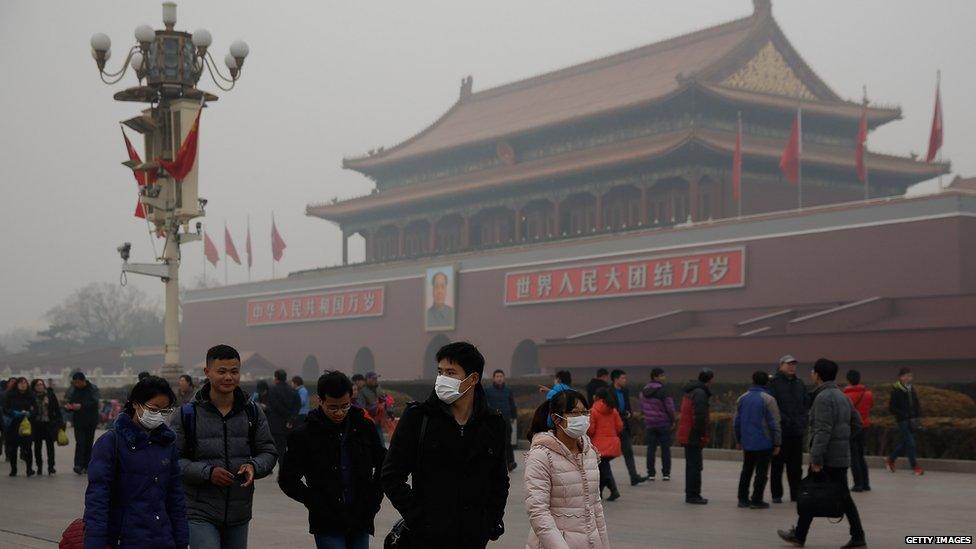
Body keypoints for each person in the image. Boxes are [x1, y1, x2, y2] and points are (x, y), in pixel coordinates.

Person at [382, 341, 509, 548]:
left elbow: (499, 480)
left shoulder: (492, 423)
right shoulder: (419, 418)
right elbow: (391, 475)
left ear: (473, 379)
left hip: (473, 537)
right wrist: (419, 518)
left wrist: (491, 521)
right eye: (440, 372)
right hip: (426, 539)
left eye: (451, 372)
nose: (442, 379)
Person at [173, 344, 278, 549]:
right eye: (222, 371)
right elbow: (172, 460)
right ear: (207, 372)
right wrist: (207, 472)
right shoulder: (187, 415)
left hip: (239, 511)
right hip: (199, 510)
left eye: (234, 371)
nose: (229, 377)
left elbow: (268, 451)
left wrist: (253, 467)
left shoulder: (252, 412)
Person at [278, 371, 386, 549]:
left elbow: (384, 463)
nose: (339, 413)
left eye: (345, 406)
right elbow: (287, 479)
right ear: (320, 401)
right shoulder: (304, 435)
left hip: (360, 515)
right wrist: (314, 501)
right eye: (333, 407)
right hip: (327, 521)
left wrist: (374, 498)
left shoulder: (364, 427)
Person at [83, 376, 189, 549]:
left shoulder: (167, 445)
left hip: (163, 539)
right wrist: (95, 543)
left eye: (165, 411)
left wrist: (181, 539)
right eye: (154, 409)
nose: (158, 415)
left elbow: (175, 497)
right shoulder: (111, 442)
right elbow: (97, 498)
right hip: (124, 539)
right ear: (135, 403)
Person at [778, 358, 866, 549]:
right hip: (840, 456)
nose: (811, 373)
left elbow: (822, 430)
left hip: (826, 458)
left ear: (818, 375)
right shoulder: (843, 396)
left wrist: (817, 458)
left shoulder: (823, 398)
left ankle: (857, 537)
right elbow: (858, 424)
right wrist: (842, 441)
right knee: (817, 494)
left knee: (818, 494)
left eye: (812, 371)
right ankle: (800, 536)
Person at [525, 389, 609, 549]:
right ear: (556, 419)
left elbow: (596, 506)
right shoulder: (541, 455)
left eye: (585, 412)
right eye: (575, 413)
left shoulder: (589, 452)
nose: (583, 418)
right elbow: (538, 511)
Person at [733, 371, 781, 509]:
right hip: (764, 442)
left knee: (746, 470)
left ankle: (742, 499)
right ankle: (756, 499)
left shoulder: (742, 398)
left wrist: (738, 439)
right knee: (761, 472)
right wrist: (777, 442)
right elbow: (774, 423)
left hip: (747, 441)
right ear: (766, 383)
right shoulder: (769, 399)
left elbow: (736, 421)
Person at [768, 354, 808, 503]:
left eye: (794, 364)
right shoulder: (773, 383)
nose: (792, 367)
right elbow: (772, 406)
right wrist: (784, 419)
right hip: (781, 430)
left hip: (797, 430)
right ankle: (776, 494)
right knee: (777, 465)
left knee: (796, 466)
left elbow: (805, 404)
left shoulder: (800, 383)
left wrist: (802, 420)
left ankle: (795, 493)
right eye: (788, 364)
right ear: (781, 366)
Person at [677, 368, 713, 504]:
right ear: (710, 380)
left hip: (688, 433)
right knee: (695, 466)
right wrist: (702, 435)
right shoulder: (700, 393)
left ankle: (691, 493)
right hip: (693, 435)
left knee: (691, 465)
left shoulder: (692, 391)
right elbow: (699, 417)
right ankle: (693, 495)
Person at [588, 387, 623, 501]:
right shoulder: (613, 410)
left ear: (597, 397)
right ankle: (600, 493)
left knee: (604, 469)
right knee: (602, 468)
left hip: (599, 445)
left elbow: (591, 430)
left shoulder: (593, 411)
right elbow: (619, 427)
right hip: (613, 444)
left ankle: (613, 490)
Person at [640, 367, 676, 481]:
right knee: (665, 449)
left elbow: (642, 408)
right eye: (662, 376)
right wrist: (673, 420)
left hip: (650, 424)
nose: (664, 378)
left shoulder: (644, 391)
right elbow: (670, 408)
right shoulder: (664, 391)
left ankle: (651, 473)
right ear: (655, 377)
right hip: (663, 423)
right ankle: (666, 473)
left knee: (651, 449)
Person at [610, 369, 645, 485]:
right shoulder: (608, 391)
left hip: (624, 425)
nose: (625, 380)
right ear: (616, 379)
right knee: (608, 454)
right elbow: (610, 409)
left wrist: (628, 415)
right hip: (612, 427)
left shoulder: (625, 391)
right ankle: (602, 476)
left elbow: (628, 406)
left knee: (628, 451)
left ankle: (633, 476)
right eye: (623, 378)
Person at [886, 367, 923, 475]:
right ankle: (915, 467)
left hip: (912, 420)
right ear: (900, 377)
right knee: (911, 443)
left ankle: (891, 459)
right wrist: (903, 414)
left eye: (910, 376)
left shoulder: (911, 389)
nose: (908, 378)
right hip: (902, 420)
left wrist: (917, 416)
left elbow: (916, 404)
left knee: (906, 443)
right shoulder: (896, 390)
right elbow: (891, 407)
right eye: (906, 376)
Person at [64, 371, 100, 475]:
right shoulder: (73, 390)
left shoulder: (93, 389)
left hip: (91, 420)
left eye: (78, 382)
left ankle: (87, 465)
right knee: (80, 442)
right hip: (78, 421)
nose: (76, 385)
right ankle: (78, 465)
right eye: (74, 383)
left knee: (88, 443)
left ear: (83, 381)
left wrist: (81, 406)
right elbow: (70, 401)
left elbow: (95, 402)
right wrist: (68, 407)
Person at [843, 369, 873, 491]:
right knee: (861, 455)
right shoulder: (868, 394)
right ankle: (866, 483)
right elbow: (870, 406)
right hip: (864, 427)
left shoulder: (846, 396)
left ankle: (858, 484)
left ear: (848, 380)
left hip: (852, 428)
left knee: (854, 457)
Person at [485, 369, 519, 471]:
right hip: (493, 420)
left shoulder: (508, 390)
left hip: (506, 419)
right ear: (494, 378)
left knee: (507, 442)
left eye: (501, 376)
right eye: (497, 376)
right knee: (494, 442)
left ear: (503, 378)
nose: (499, 378)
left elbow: (512, 404)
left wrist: (514, 416)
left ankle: (510, 462)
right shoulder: (488, 390)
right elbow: (485, 405)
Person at [3, 377, 38, 476]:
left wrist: (30, 413)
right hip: (14, 425)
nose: (23, 384)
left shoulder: (30, 396)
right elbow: (5, 409)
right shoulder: (10, 395)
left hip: (27, 425)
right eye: (21, 383)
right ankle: (13, 469)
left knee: (27, 448)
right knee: (13, 448)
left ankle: (29, 469)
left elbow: (36, 409)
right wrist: (14, 413)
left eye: (25, 383)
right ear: (17, 385)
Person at [30, 378, 62, 475]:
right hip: (36, 424)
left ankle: (51, 466)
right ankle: (39, 466)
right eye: (37, 385)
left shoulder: (50, 395)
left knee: (50, 446)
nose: (40, 386)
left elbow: (57, 409)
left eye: (41, 384)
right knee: (37, 447)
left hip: (49, 424)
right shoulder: (31, 397)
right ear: (34, 387)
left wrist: (59, 422)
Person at [267, 369, 301, 458]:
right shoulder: (293, 391)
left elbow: (273, 406)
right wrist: (291, 418)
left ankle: (282, 468)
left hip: (276, 425)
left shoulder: (272, 390)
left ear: (276, 378)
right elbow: (297, 406)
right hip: (290, 424)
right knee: (292, 447)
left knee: (279, 449)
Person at [360, 372, 389, 446]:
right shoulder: (362, 391)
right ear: (367, 379)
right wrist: (374, 406)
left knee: (381, 442)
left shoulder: (378, 387)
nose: (375, 380)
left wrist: (385, 404)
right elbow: (361, 407)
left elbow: (384, 399)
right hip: (369, 421)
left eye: (376, 378)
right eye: (373, 378)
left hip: (379, 420)